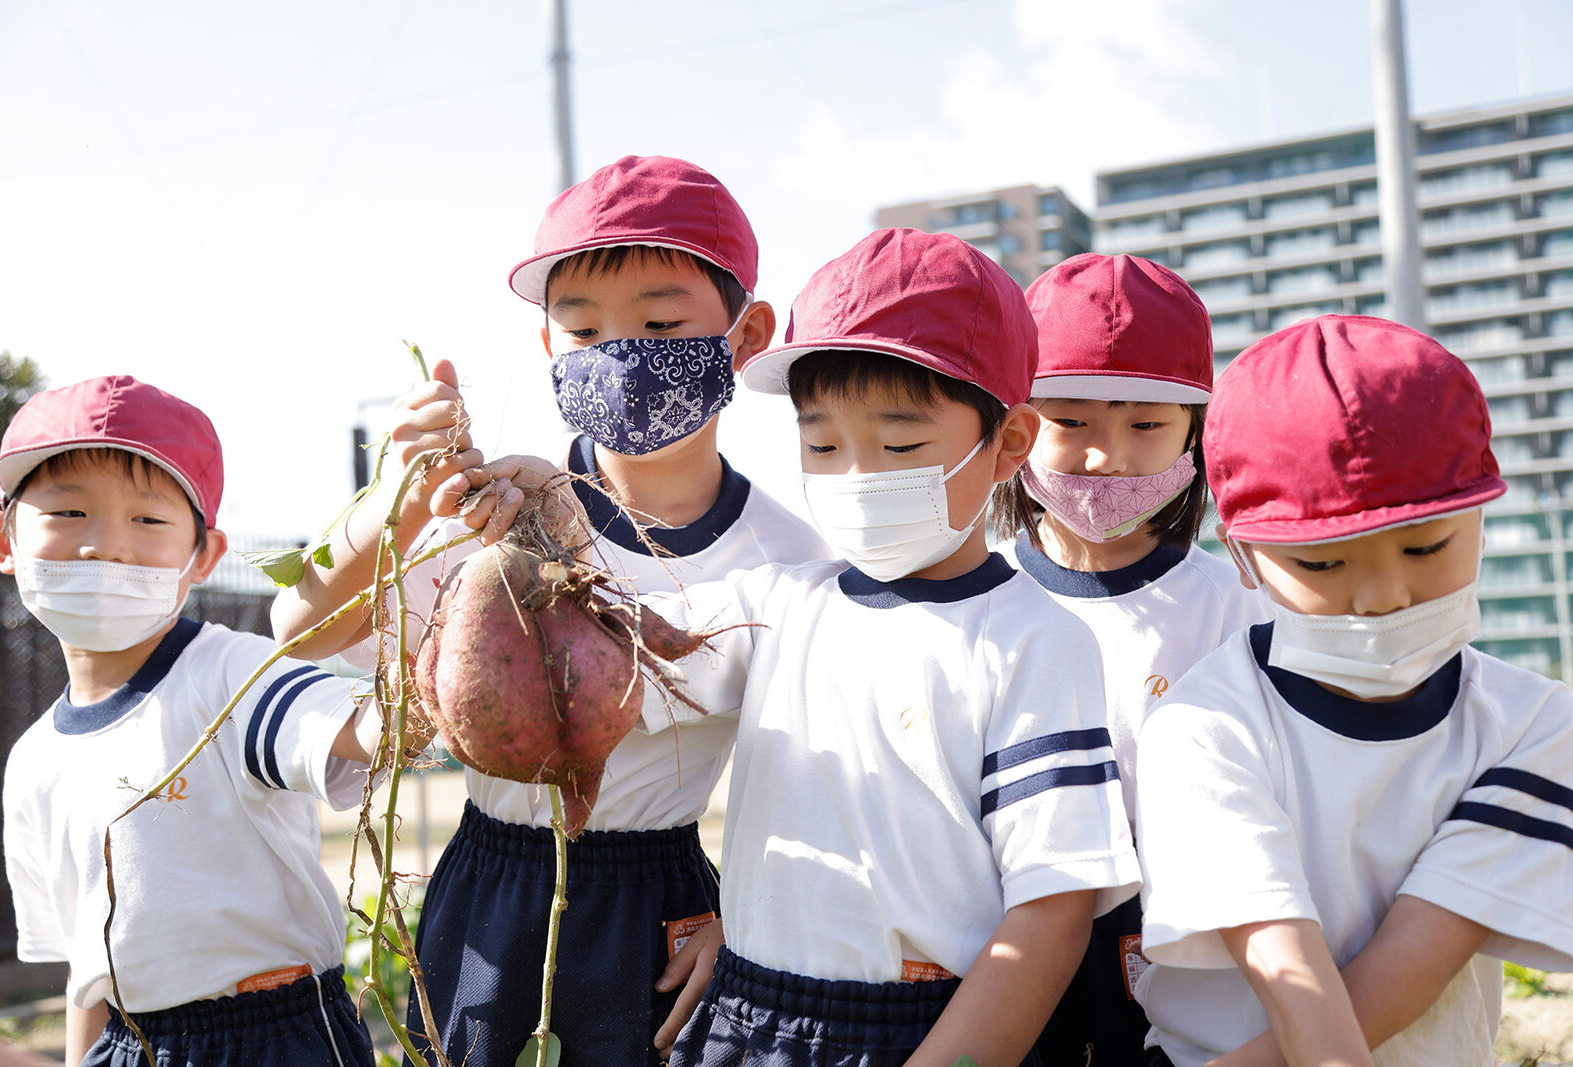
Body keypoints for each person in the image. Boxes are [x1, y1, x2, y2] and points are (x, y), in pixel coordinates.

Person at [270, 154, 828, 1066]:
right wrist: (399, 505)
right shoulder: (498, 519)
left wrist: (741, 920)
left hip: (663, 901)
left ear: (745, 331)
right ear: (546, 349)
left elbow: (816, 789)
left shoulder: (792, 557)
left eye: (659, 321)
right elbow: (301, 636)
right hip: (491, 881)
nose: (619, 351)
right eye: (583, 330)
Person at [639, 228, 1142, 1067]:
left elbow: (1054, 909)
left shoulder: (1035, 640)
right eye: (822, 444)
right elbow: (619, 664)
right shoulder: (778, 600)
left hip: (936, 1029)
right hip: (752, 1014)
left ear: (1010, 443)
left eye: (901, 445)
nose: (855, 476)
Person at [1134, 315, 1573, 1066]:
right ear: (1241, 554)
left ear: (1481, 516)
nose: (1383, 594)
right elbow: (1286, 967)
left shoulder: (1535, 721)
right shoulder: (1204, 727)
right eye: (1324, 565)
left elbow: (1411, 961)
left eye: (1426, 545)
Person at [0, 376, 404, 1067]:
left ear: (203, 555)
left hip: (276, 1038)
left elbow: (364, 728)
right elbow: (87, 971)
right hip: (128, 1043)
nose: (105, 546)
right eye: (68, 512)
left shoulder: (232, 674)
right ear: (3, 538)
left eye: (147, 520)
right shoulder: (33, 762)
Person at [990, 252, 1266, 1067]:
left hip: (1177, 942)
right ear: (1016, 421)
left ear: (1196, 433)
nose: (1105, 457)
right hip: (999, 931)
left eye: (1146, 424)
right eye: (1069, 421)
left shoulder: (1240, 607)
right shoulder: (977, 593)